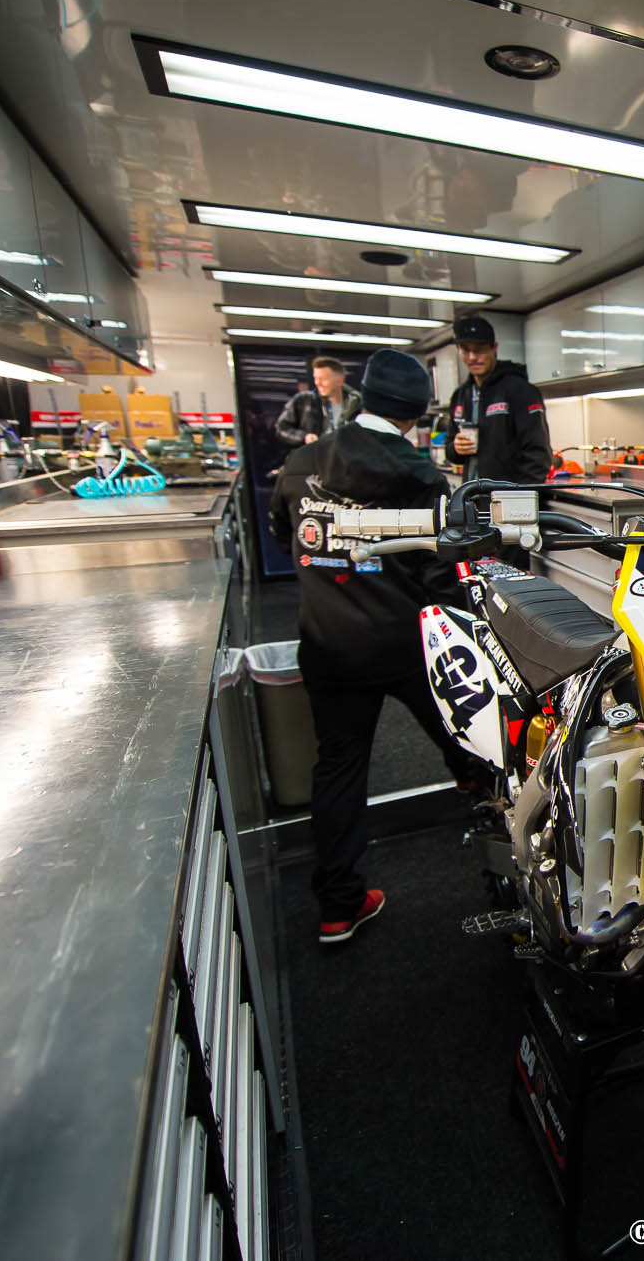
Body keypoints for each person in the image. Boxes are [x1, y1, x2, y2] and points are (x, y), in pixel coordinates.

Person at [268, 349, 479, 944]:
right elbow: (440, 573)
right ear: (415, 414)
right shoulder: (419, 474)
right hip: (404, 641)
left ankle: (339, 906)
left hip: (328, 642)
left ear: (362, 396)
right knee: (466, 734)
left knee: (339, 766)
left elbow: (285, 534)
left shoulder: (302, 461)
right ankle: (491, 820)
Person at [443, 316, 549, 483]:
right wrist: (456, 448)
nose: (472, 357)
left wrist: (521, 495)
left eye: (479, 350)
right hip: (472, 494)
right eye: (465, 350)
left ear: (494, 348)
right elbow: (450, 451)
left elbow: (538, 454)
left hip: (509, 495)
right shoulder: (460, 396)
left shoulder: (520, 390)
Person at [275, 356, 358, 446]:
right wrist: (304, 437)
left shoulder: (358, 405)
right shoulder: (303, 400)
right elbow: (281, 428)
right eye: (316, 378)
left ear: (339, 381)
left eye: (323, 379)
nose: (317, 383)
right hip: (311, 454)